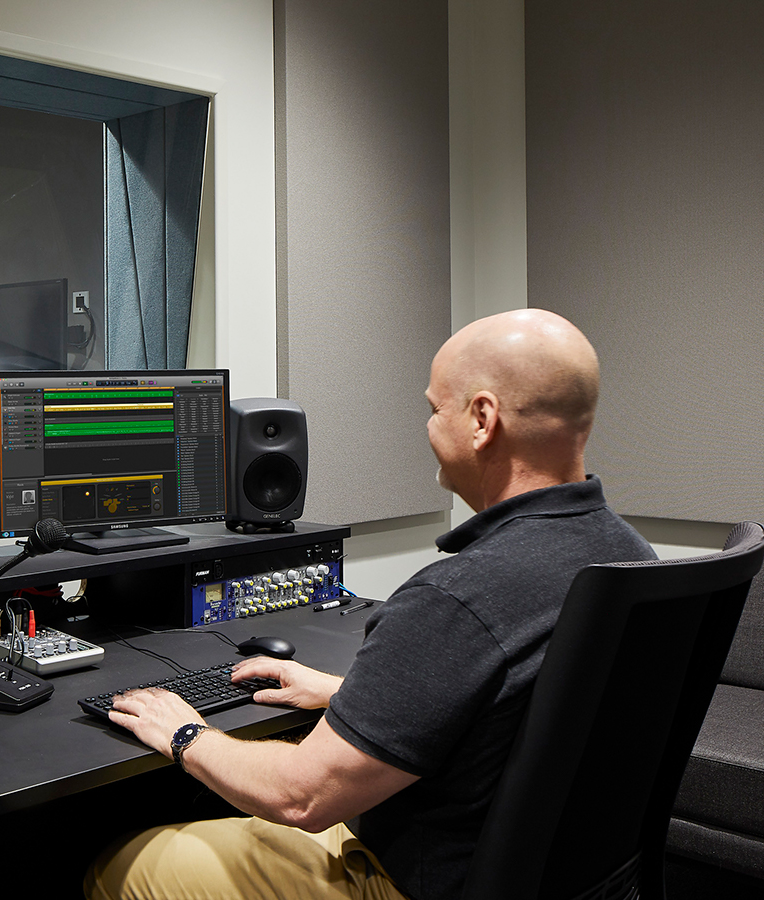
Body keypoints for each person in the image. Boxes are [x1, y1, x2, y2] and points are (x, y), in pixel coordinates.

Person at [86, 308, 656, 900]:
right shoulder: (628, 556)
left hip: (418, 881)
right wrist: (348, 692)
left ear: (482, 420)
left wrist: (184, 732)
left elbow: (300, 797)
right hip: (579, 884)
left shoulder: (457, 597)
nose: (428, 427)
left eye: (436, 410)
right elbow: (540, 705)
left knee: (122, 864)